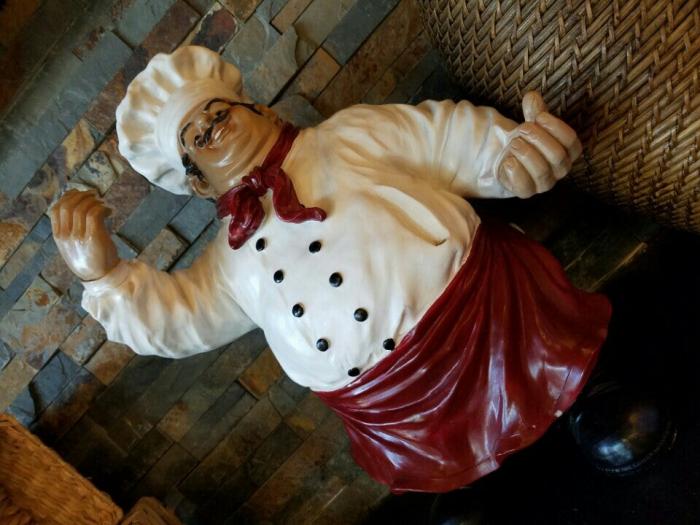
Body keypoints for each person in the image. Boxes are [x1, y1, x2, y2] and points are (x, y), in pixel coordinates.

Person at [49, 47, 673, 513]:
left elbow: (445, 137)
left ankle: (585, 404)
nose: (216, 129)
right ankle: (474, 484)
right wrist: (103, 276)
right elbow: (182, 318)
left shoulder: (350, 135)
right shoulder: (230, 262)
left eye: (220, 113)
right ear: (194, 179)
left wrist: (511, 156)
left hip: (481, 316)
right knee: (457, 494)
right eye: (199, 136)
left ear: (260, 108)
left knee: (579, 396)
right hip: (390, 404)